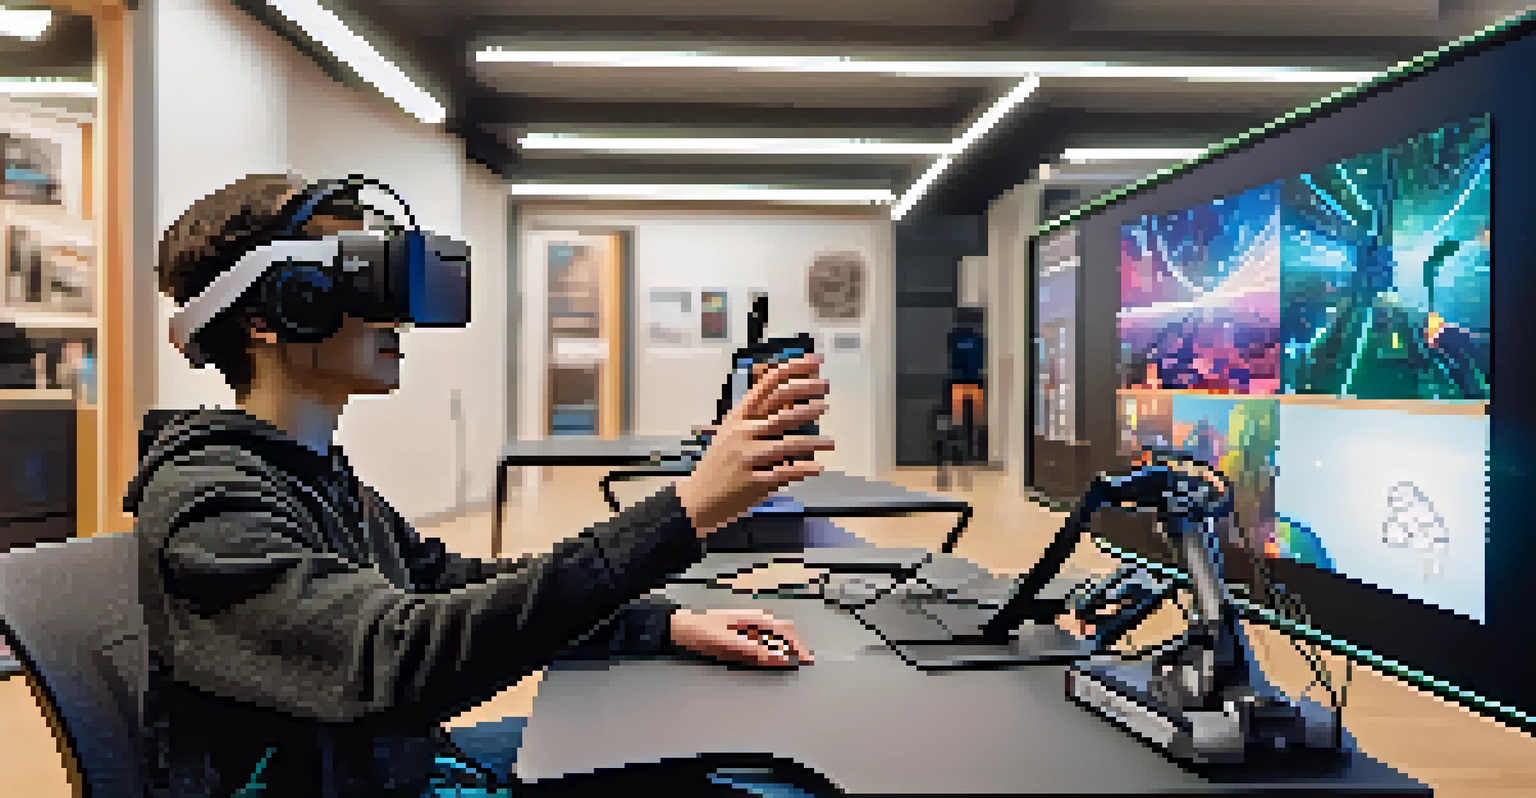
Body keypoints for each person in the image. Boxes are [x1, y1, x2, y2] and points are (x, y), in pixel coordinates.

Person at [131, 174, 833, 797]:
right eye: (362, 283)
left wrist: (661, 624)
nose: (398, 316)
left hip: (385, 765)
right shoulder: (208, 502)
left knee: (710, 753)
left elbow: (446, 581)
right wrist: (684, 510)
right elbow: (399, 658)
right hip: (354, 775)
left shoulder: (313, 473)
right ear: (268, 315)